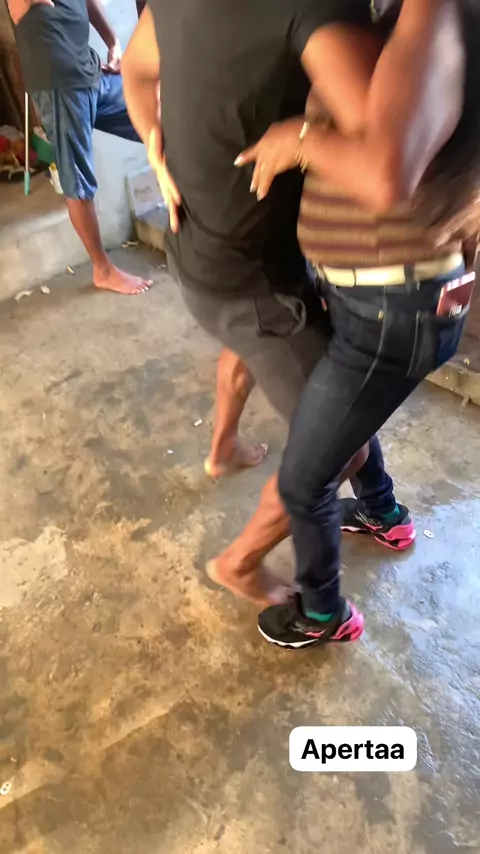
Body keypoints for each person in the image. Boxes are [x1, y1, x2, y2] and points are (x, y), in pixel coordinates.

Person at [122, 1, 416, 608]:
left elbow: (134, 68)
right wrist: (303, 137)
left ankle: (224, 448)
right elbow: (388, 163)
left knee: (258, 348)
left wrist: (154, 140)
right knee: (339, 448)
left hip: (203, 254)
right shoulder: (310, 8)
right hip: (254, 280)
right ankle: (240, 564)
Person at [234, 0, 478, 648]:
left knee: (303, 479)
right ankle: (382, 512)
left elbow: (385, 174)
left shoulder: (432, 13)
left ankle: (323, 613)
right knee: (349, 418)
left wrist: (299, 139)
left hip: (393, 305)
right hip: (374, 296)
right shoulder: (402, 17)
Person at [8, 0, 152, 295]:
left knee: (156, 121)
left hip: (90, 69)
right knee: (79, 183)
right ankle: (103, 270)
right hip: (59, 86)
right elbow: (19, 8)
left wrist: (112, 41)